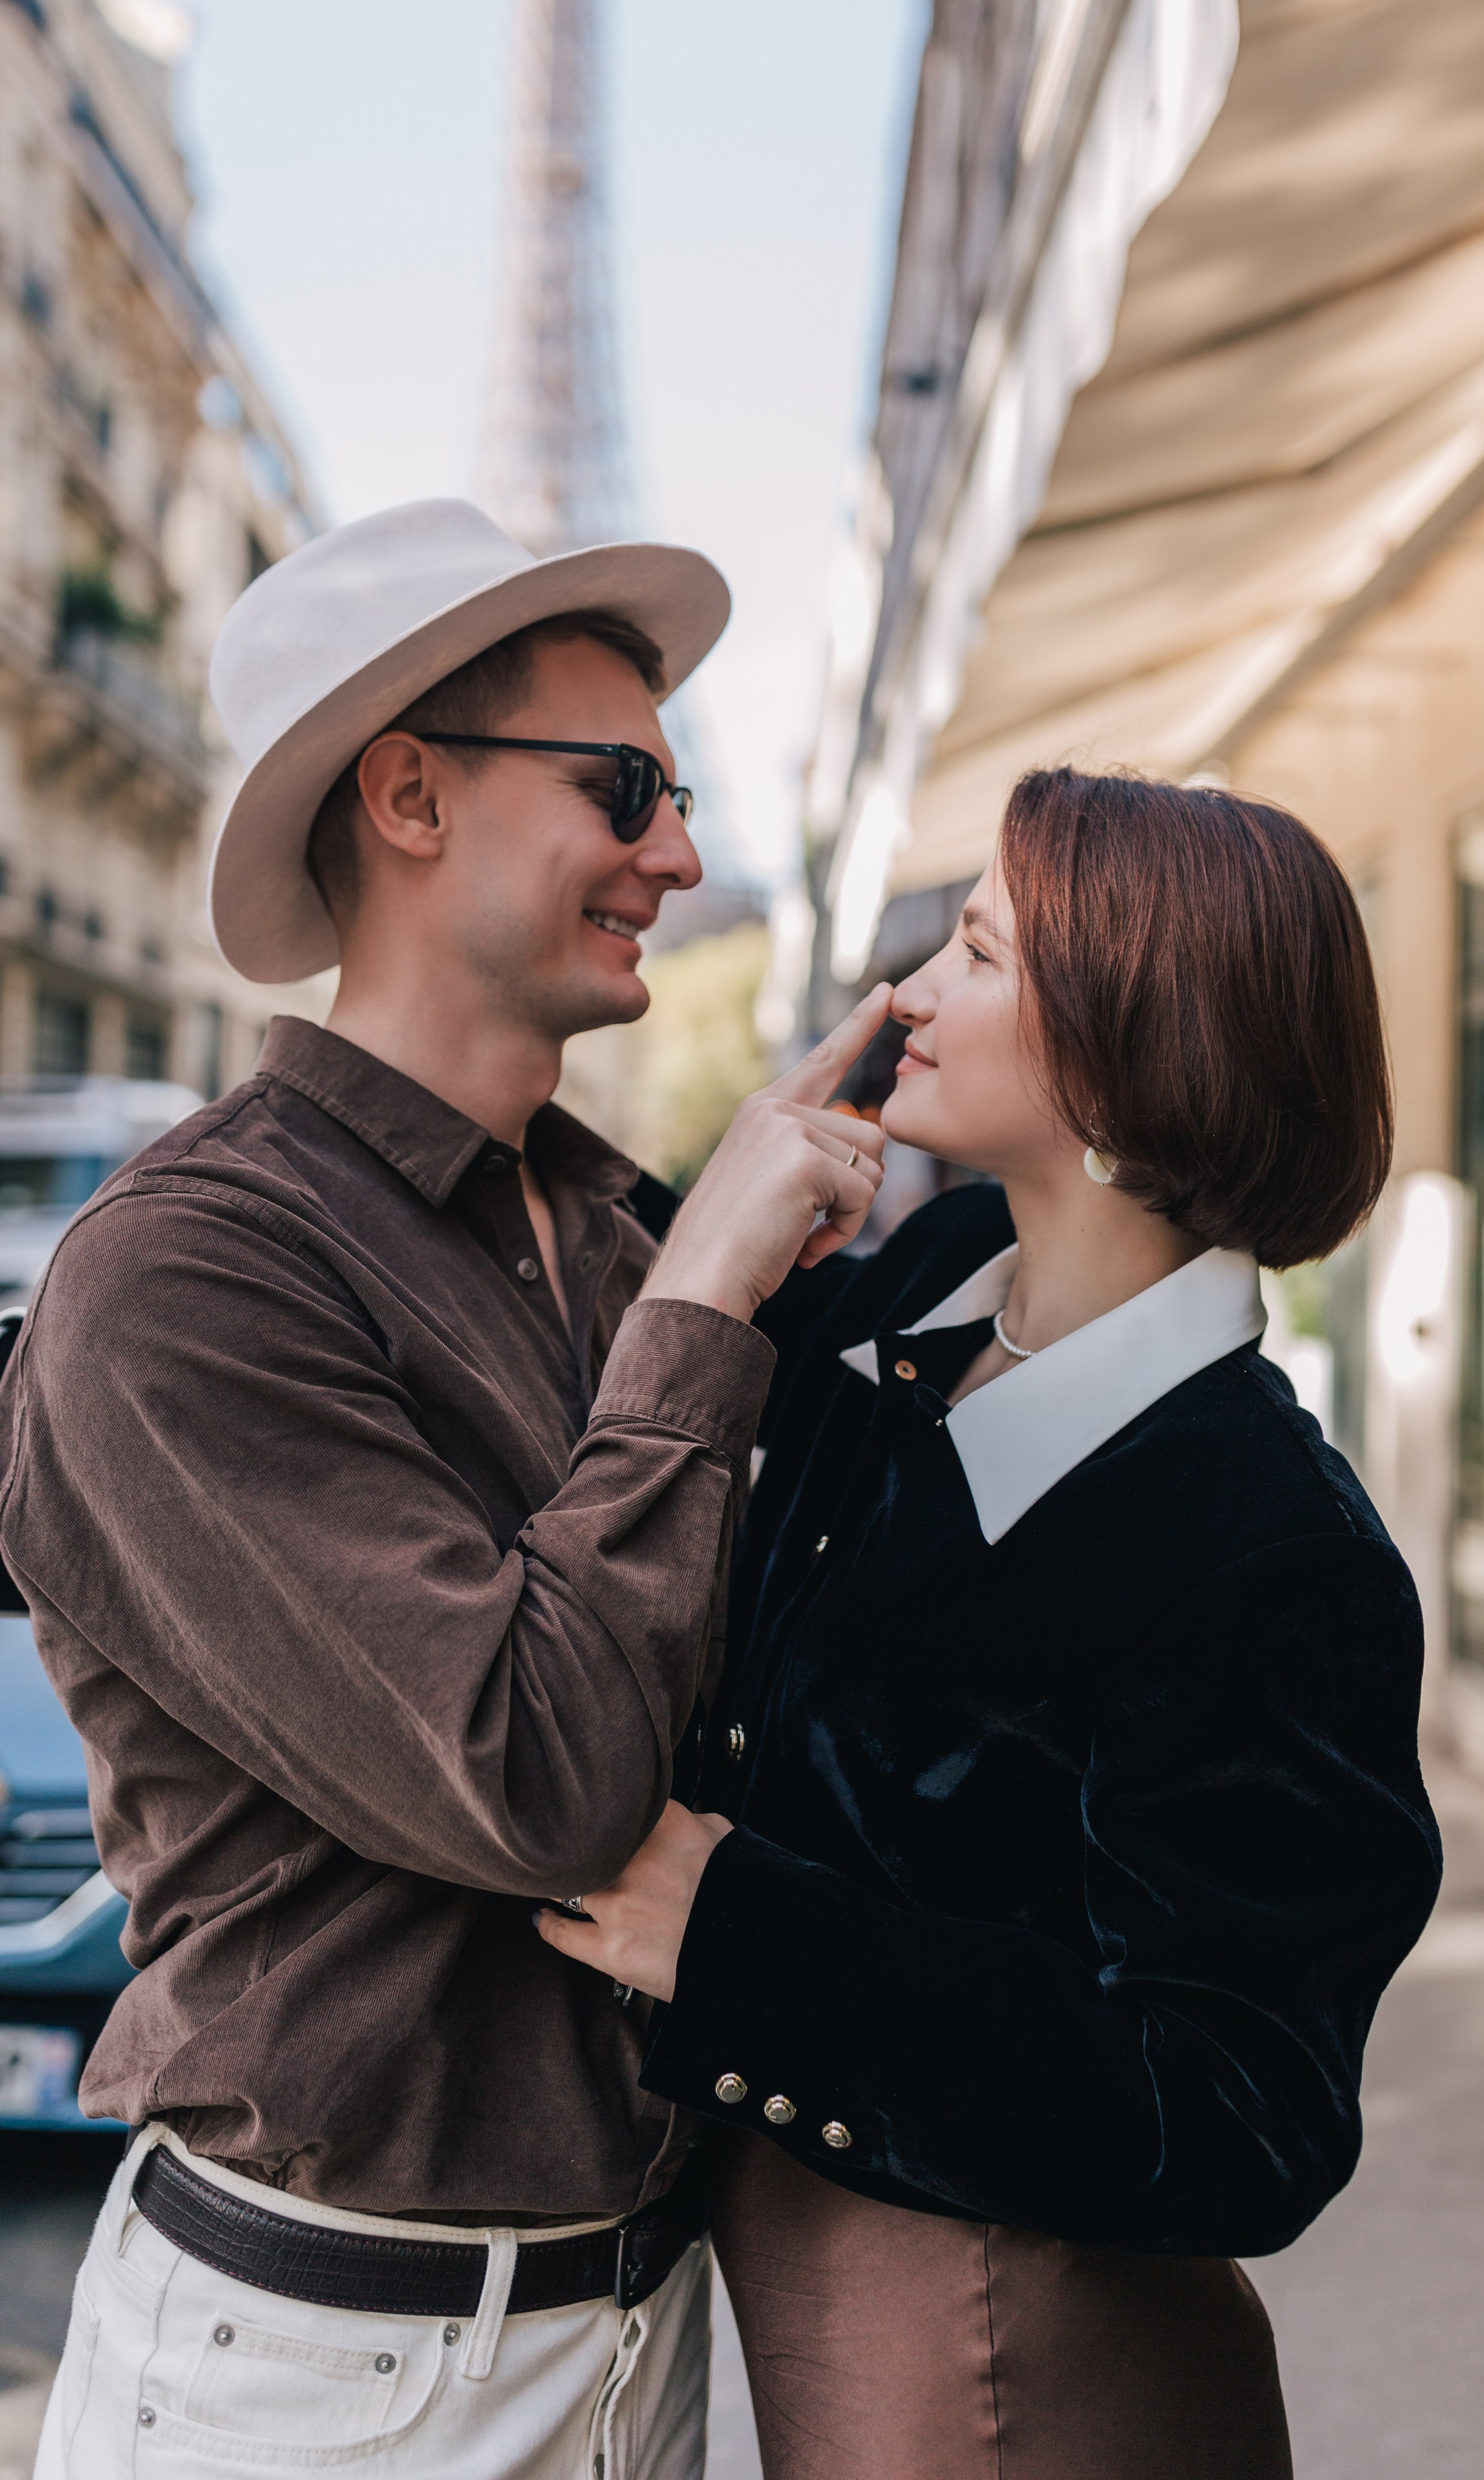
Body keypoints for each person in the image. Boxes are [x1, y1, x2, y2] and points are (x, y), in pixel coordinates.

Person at [0, 497, 890, 2480]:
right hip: (319, 2386)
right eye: (626, 787)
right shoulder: (181, 1276)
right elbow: (541, 1774)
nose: (679, 852)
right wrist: (714, 1296)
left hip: (634, 2336)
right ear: (409, 794)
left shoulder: (605, 1227)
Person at [539, 766, 1445, 2479]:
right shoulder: (903, 1295)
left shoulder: (1274, 1547)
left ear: (1118, 1047)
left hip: (1034, 2394)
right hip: (817, 2355)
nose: (909, 1000)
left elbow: (1241, 2113)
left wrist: (734, 1931)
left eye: (972, 953)